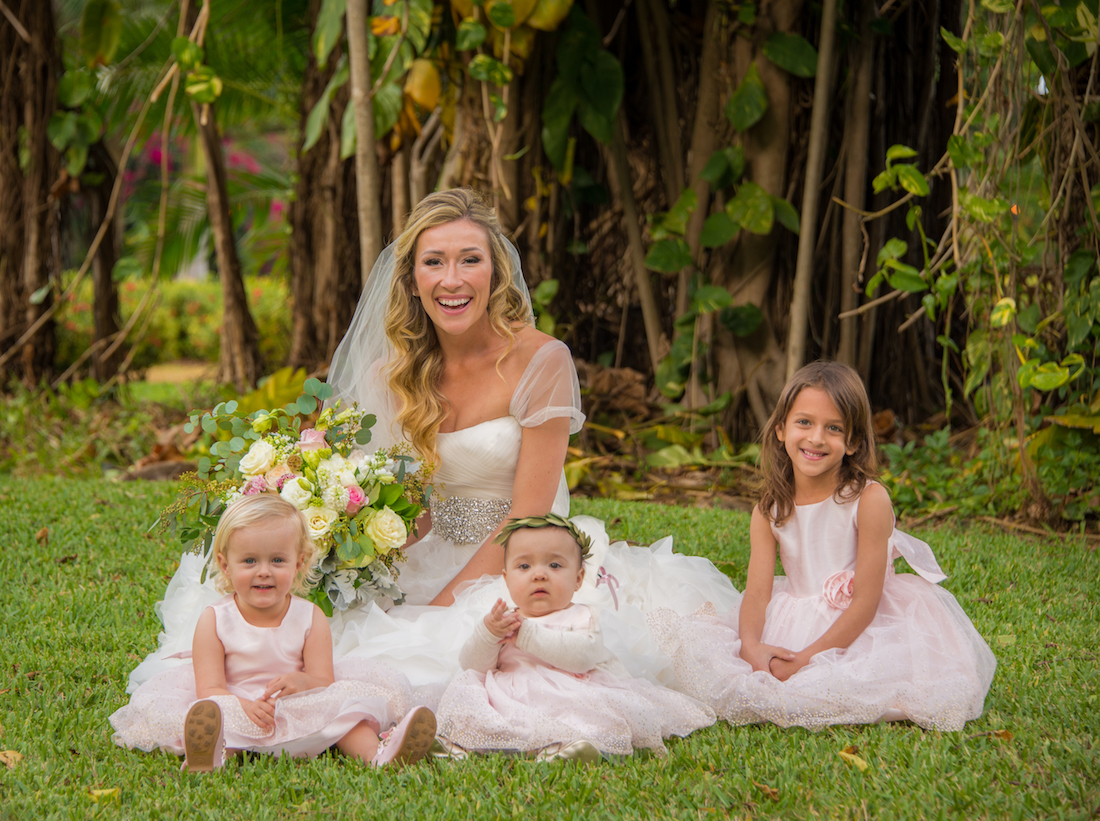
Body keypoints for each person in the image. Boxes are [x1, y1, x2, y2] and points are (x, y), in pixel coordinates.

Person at [130, 188, 740, 700]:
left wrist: (445, 606)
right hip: (424, 551)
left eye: (469, 260)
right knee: (330, 633)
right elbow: (392, 498)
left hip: (523, 555)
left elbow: (532, 512)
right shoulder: (389, 373)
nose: (452, 280)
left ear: (496, 273)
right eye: (434, 263)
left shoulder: (542, 360)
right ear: (413, 279)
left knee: (443, 652)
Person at [649, 361, 996, 730]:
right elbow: (757, 593)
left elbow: (865, 602)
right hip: (793, 617)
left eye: (834, 428)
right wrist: (751, 646)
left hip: (864, 621)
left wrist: (808, 659)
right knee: (731, 669)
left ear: (854, 442)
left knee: (845, 685)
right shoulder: (769, 510)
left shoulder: (868, 500)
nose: (816, 438)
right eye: (804, 423)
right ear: (781, 430)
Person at [110, 494, 436, 770]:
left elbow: (323, 680)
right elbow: (209, 687)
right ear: (225, 565)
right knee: (218, 718)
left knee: (347, 714)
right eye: (249, 561)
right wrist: (242, 706)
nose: (264, 572)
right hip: (236, 702)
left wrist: (300, 681)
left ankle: (380, 756)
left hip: (296, 705)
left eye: (278, 560)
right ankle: (210, 757)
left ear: (299, 564)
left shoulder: (310, 617)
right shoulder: (214, 620)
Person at [434, 514, 715, 761]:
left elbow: (581, 658)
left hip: (567, 693)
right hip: (510, 694)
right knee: (471, 696)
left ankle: (568, 748)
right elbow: (473, 665)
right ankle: (455, 745)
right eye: (524, 567)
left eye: (555, 566)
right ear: (506, 579)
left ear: (579, 578)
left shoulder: (582, 616)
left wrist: (528, 635)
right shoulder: (504, 618)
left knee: (586, 717)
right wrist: (488, 634)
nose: (539, 575)